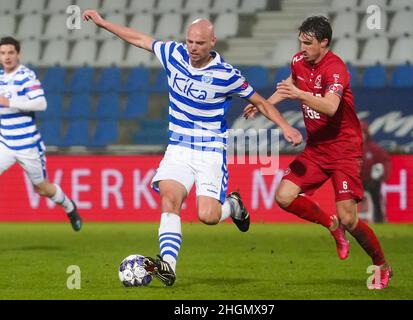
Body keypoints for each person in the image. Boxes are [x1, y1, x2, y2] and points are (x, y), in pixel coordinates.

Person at [83, 10, 302, 287]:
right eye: (189, 42)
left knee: (208, 216)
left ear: (212, 42)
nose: (193, 48)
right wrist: (103, 24)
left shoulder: (226, 74)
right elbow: (139, 38)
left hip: (209, 151)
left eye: (199, 43)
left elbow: (260, 101)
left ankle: (233, 206)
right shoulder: (173, 54)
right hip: (178, 148)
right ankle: (169, 267)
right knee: (169, 200)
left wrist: (284, 126)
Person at [244, 16, 392, 289]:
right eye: (300, 40)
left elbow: (331, 107)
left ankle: (382, 265)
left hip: (344, 151)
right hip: (317, 149)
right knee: (284, 196)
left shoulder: (336, 69)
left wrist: (299, 94)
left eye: (308, 42)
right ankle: (331, 226)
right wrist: (263, 104)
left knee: (349, 217)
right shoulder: (299, 61)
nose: (302, 46)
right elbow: (289, 85)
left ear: (324, 42)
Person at [0, 37, 82, 231]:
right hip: (4, 143)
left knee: (41, 188)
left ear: (18, 54)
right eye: (3, 53)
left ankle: (69, 207)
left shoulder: (26, 76)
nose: (7, 57)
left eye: (11, 52)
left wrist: (10, 102)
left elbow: (41, 103)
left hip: (28, 145)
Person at [360, 121, 391, 223]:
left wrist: (382, 175)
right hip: (357, 181)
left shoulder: (374, 149)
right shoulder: (351, 148)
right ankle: (349, 221)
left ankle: (379, 220)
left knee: (376, 199)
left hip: (371, 182)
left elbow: (385, 162)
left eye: (362, 133)